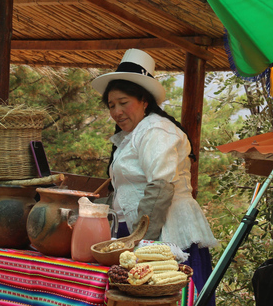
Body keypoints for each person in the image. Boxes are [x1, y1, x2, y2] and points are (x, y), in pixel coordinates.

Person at [92, 49, 217, 303]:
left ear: (144, 100)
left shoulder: (157, 130)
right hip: (141, 232)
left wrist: (142, 242)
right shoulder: (134, 135)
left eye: (123, 102)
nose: (116, 111)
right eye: (111, 105)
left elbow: (160, 186)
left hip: (165, 235)